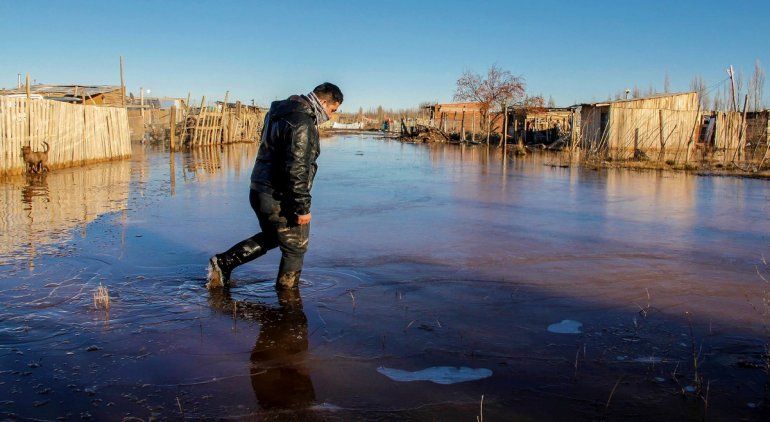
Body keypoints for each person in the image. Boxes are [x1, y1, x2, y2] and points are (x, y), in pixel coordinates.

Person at [207, 82, 343, 290]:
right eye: (332, 110)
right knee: (295, 247)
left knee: (273, 236)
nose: (331, 115)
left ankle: (224, 262)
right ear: (323, 102)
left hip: (259, 188)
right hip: (278, 194)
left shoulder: (279, 113)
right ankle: (288, 302)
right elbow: (297, 169)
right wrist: (302, 208)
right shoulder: (303, 122)